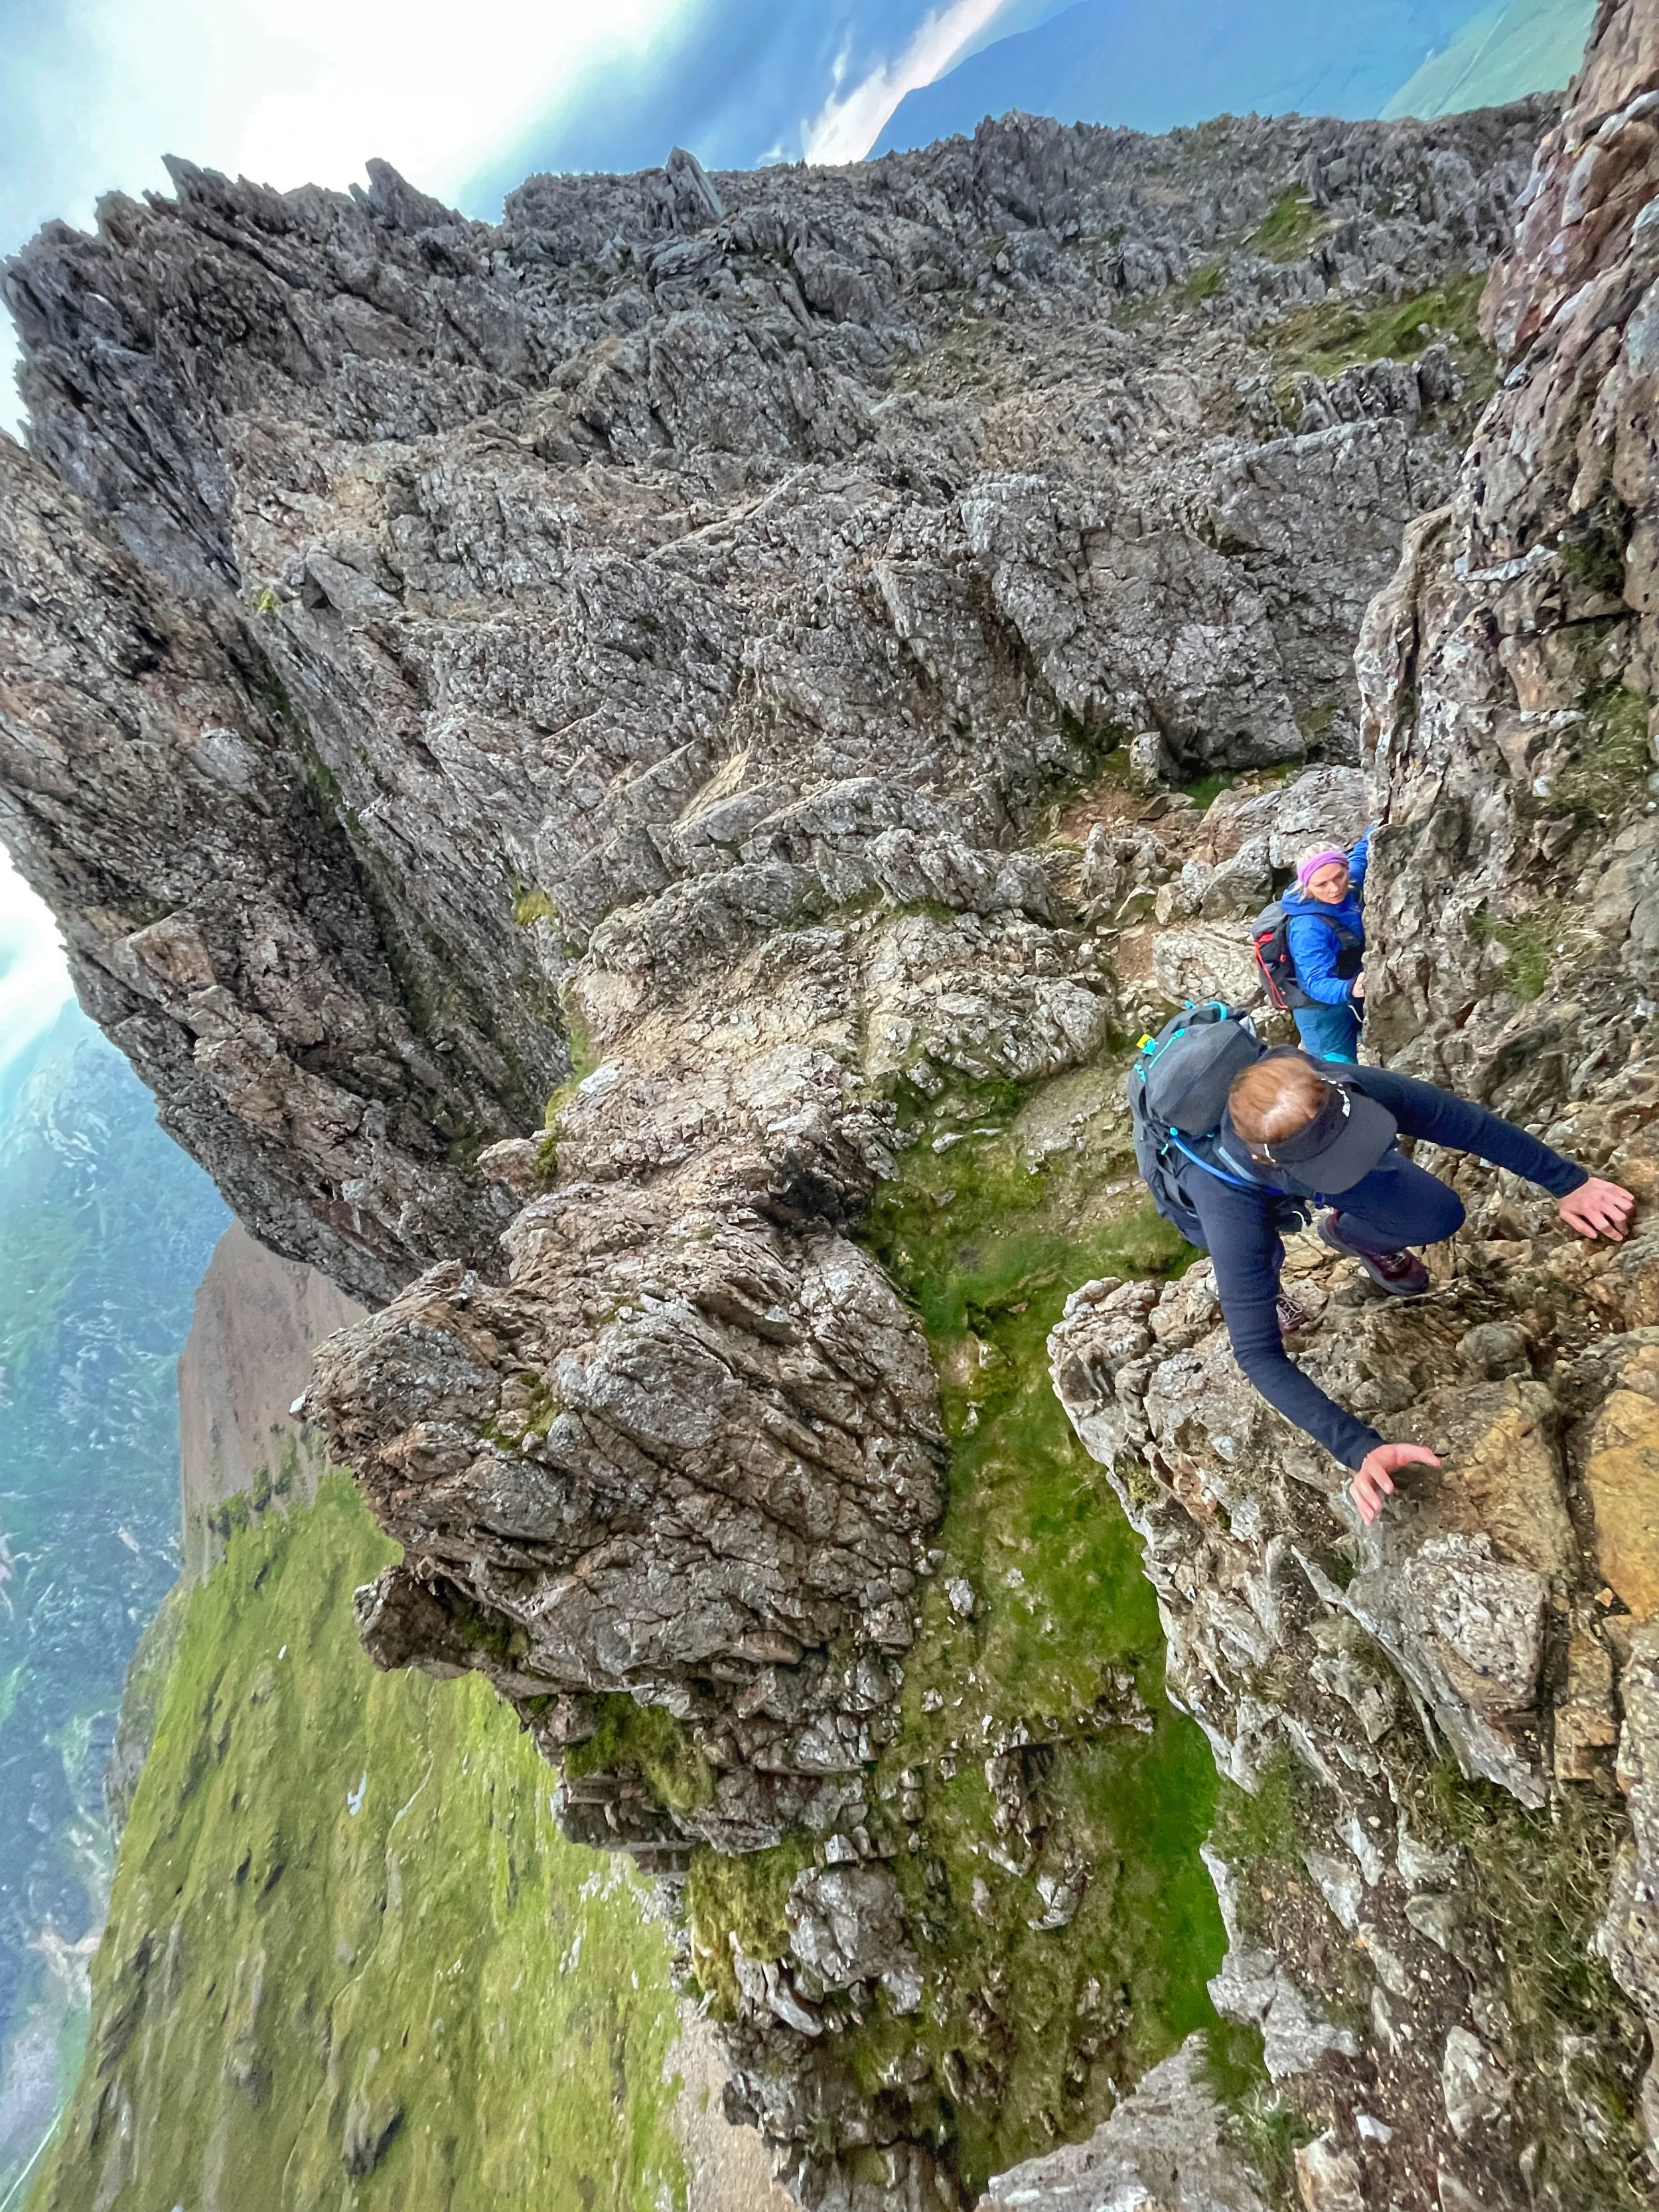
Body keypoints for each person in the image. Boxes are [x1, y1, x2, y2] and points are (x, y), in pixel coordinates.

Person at [1191, 1049, 1634, 1526]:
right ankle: (1267, 1287)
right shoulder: (1222, 1199)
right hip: (1232, 1189)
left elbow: (1459, 1120)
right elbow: (1257, 1352)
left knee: (1437, 1213)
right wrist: (1358, 1447)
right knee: (1253, 1262)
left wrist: (1569, 1183)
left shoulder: (1341, 1086)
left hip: (1300, 1149)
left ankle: (1351, 1233)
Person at [1283, 836, 1369, 1063]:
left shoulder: (1350, 881)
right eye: (1321, 884)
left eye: (1339, 876)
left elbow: (1362, 852)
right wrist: (1350, 988)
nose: (1334, 889)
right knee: (1341, 1075)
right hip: (1321, 1014)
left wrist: (1379, 823)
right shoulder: (1307, 928)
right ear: (1307, 885)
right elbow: (1315, 982)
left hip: (1352, 988)